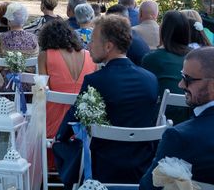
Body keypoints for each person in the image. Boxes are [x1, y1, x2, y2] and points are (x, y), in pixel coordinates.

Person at [54, 15, 158, 185]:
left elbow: (72, 122)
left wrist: (59, 139)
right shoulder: (151, 79)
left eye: (93, 41)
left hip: (102, 169)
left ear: (108, 46)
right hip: (141, 168)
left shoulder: (95, 81)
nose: (89, 45)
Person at [140, 46, 214, 188]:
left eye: (188, 79)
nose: (180, 84)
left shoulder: (179, 137)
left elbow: (148, 187)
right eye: (182, 76)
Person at [38, 19, 95, 140]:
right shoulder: (90, 56)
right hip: (83, 121)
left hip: (54, 124)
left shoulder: (45, 55)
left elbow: (42, 91)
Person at [141, 11, 191, 125]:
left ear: (163, 30)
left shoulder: (152, 58)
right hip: (192, 118)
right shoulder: (195, 57)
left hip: (162, 121)